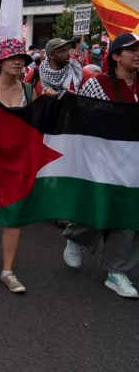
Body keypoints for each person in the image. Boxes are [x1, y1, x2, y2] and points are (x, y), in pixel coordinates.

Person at [0, 39, 56, 294]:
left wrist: (49, 100)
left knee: (16, 212)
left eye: (22, 58)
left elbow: (38, 123)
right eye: (12, 57)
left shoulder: (31, 91)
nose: (19, 61)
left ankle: (8, 271)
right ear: (0, 61)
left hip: (19, 161)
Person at [63, 33, 139, 298]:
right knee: (99, 209)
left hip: (134, 166)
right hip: (104, 162)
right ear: (116, 56)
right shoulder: (99, 85)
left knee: (130, 215)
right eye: (132, 50)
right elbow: (83, 120)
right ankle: (76, 236)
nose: (137, 54)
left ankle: (117, 271)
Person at [25, 38, 93, 96]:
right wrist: (44, 99)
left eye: (68, 49)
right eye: (62, 51)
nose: (68, 53)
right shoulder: (34, 74)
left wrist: (73, 98)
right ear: (51, 55)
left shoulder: (79, 72)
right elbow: (26, 101)